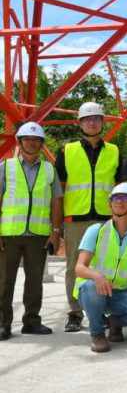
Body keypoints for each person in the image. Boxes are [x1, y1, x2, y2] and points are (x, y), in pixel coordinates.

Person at [56, 102, 121, 333]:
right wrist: (58, 225)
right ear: (80, 123)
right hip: (76, 217)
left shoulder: (114, 151)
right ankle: (74, 313)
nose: (92, 122)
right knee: (75, 266)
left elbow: (119, 187)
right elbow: (59, 191)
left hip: (105, 218)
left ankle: (101, 311)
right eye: (87, 119)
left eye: (96, 118)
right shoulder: (66, 151)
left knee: (103, 266)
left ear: (103, 122)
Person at [73, 183, 127, 353]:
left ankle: (115, 322)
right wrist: (97, 276)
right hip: (93, 291)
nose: (119, 201)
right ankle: (97, 334)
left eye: (125, 198)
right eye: (115, 198)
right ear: (110, 205)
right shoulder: (96, 230)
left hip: (121, 293)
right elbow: (79, 268)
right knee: (90, 287)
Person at [0, 122, 63, 340]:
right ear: (19, 142)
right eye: (27, 139)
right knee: (3, 281)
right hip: (8, 234)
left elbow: (56, 201)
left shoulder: (48, 169)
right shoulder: (5, 167)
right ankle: (3, 323)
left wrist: (55, 231)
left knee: (35, 281)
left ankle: (31, 321)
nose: (31, 142)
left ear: (41, 144)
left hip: (38, 235)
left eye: (36, 140)